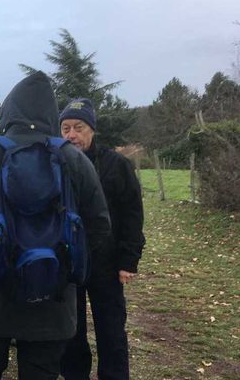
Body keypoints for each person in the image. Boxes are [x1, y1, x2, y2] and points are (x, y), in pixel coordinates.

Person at [0, 72, 112, 380]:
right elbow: (99, 226)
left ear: (10, 111)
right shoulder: (74, 159)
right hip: (53, 295)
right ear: (51, 113)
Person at [59, 98, 145, 380]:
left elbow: (133, 213)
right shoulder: (56, 164)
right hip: (69, 264)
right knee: (71, 331)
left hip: (106, 264)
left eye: (78, 127)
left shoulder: (116, 164)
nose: (71, 135)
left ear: (92, 129)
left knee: (111, 331)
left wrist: (128, 260)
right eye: (66, 128)